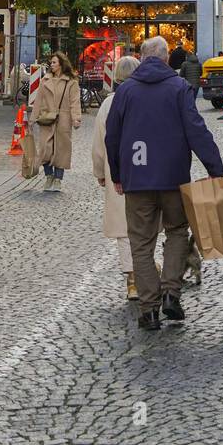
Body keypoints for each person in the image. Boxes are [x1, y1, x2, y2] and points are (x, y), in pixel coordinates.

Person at [105, 35, 223, 330]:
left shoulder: (126, 91)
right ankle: (171, 292)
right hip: (172, 177)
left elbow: (112, 136)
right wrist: (215, 169)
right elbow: (197, 130)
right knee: (175, 233)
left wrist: (118, 175)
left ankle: (148, 309)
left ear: (143, 57)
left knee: (141, 243)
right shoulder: (178, 88)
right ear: (166, 56)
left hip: (137, 178)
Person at [92, 56, 140, 298]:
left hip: (117, 173)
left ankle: (132, 279)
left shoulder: (108, 104)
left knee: (123, 227)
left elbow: (100, 143)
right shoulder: (145, 100)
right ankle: (145, 271)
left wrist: (100, 172)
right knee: (145, 224)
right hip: (145, 171)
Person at [30, 51, 82, 191]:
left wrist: (76, 118)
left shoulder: (71, 82)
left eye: (54, 62)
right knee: (45, 149)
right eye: (51, 62)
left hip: (63, 119)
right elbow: (38, 101)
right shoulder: (44, 81)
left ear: (61, 64)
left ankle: (58, 179)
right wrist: (32, 118)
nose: (51, 65)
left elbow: (74, 102)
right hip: (46, 119)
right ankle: (48, 177)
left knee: (61, 150)